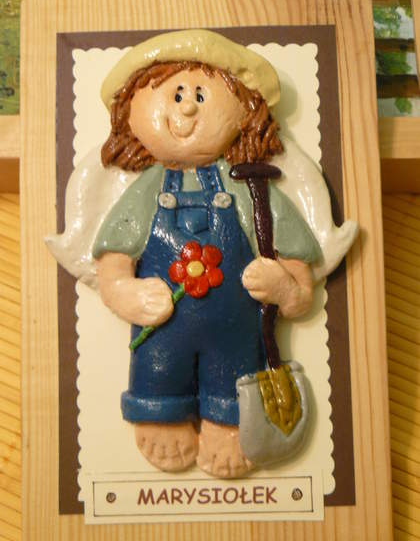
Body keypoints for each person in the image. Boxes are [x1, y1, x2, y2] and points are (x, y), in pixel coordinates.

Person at [92, 29, 322, 478]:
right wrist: (123, 291)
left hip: (235, 329)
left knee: (235, 370)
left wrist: (286, 288)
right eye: (175, 94)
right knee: (158, 366)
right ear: (130, 113)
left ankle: (227, 421)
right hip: (162, 330)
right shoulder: (146, 191)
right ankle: (161, 411)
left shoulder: (251, 189)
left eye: (201, 94)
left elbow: (300, 282)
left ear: (245, 109)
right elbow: (112, 260)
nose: (187, 107)